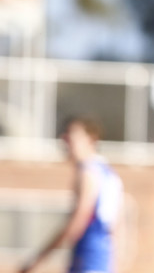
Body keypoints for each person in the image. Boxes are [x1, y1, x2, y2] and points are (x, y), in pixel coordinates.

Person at [19, 116, 124, 273]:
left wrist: (39, 259)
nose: (65, 139)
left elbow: (78, 220)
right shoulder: (108, 173)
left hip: (88, 259)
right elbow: (117, 227)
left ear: (91, 139)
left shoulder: (88, 172)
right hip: (100, 260)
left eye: (72, 134)